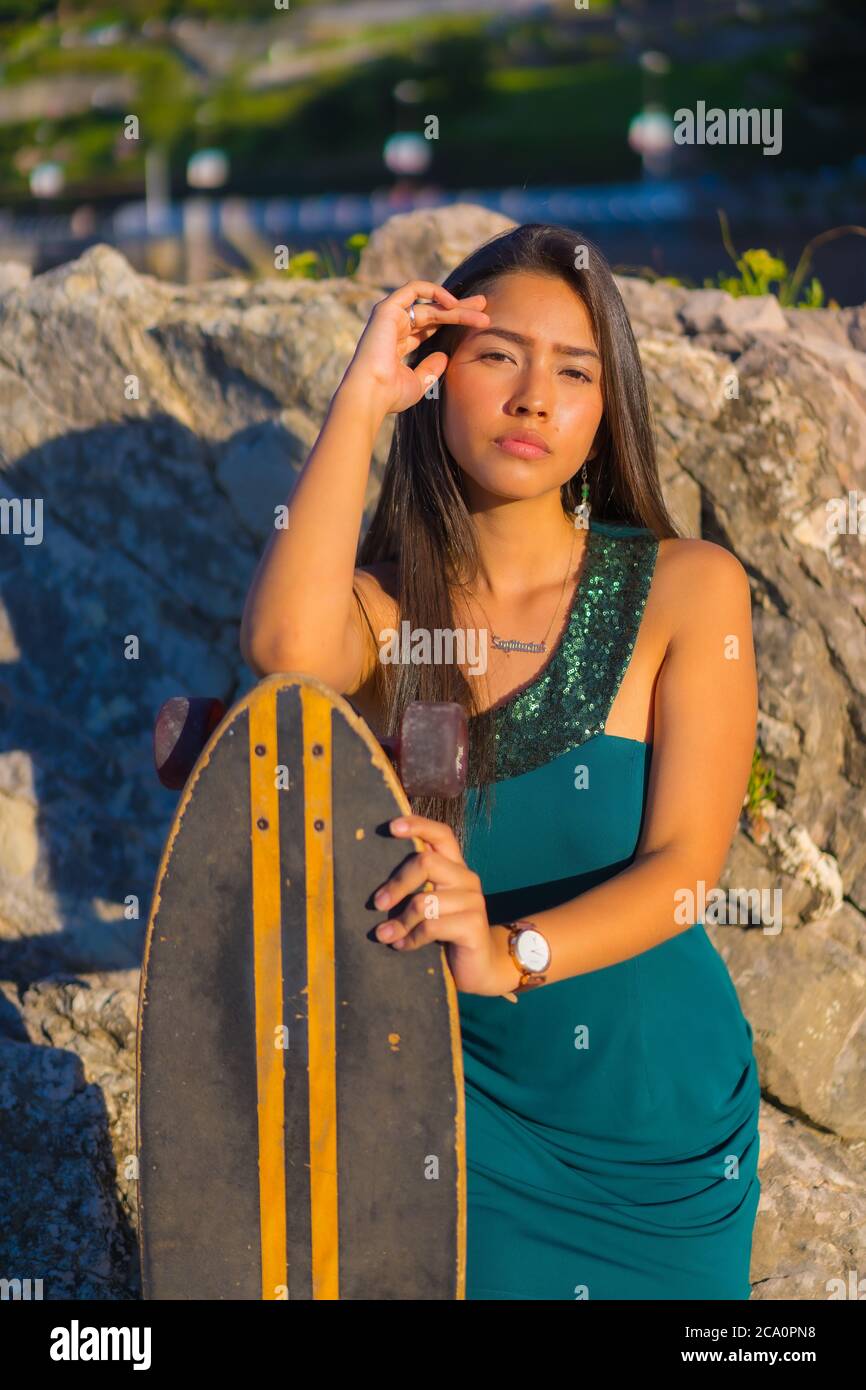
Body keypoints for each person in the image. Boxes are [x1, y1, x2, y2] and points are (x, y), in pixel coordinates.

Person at [239, 222, 762, 1301]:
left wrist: (510, 948)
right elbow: (285, 651)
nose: (533, 397)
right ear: (435, 377)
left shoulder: (685, 589)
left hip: (649, 1128)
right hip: (451, 1108)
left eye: (574, 372)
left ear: (605, 409)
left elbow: (684, 874)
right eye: (496, 356)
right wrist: (363, 392)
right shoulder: (387, 614)